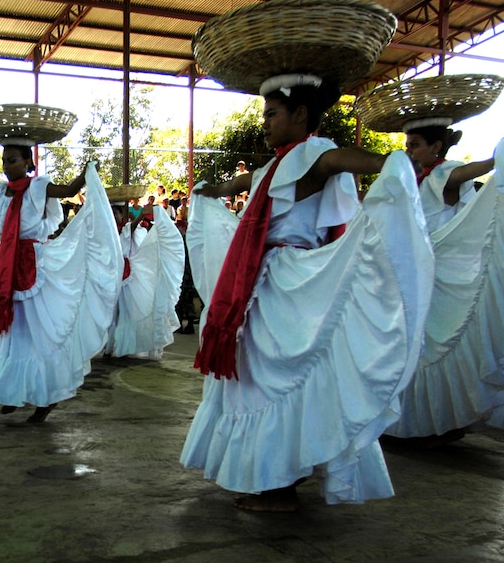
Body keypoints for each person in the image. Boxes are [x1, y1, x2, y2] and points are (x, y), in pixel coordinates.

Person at [181, 73, 434, 511]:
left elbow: (337, 160)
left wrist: (386, 162)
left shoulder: (312, 152)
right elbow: (248, 185)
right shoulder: (276, 165)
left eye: (272, 114)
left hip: (288, 278)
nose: (264, 123)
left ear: (300, 115)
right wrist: (216, 189)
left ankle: (279, 486)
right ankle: (273, 476)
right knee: (256, 376)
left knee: (273, 379)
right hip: (265, 280)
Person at [375, 102, 504, 442]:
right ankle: (434, 419)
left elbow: (465, 173)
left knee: (430, 341)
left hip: (438, 270)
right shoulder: (420, 177)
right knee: (424, 341)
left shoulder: (442, 172)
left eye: (415, 145)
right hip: (423, 266)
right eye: (408, 145)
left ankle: (436, 420)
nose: (409, 151)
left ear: (436, 147)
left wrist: (497, 158)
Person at [0, 134, 121, 423]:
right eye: (4, 161)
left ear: (27, 162)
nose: (7, 166)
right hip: (4, 262)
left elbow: (66, 190)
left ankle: (46, 397)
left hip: (30, 265)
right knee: (12, 333)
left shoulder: (39, 186)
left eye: (12, 160)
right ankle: (15, 390)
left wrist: (86, 171)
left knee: (38, 333)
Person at [104, 195, 185, 359]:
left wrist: (141, 214)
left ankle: (122, 346)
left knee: (129, 311)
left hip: (128, 277)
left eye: (116, 213)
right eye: (111, 213)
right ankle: (110, 346)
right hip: (112, 277)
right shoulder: (107, 232)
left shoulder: (126, 228)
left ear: (122, 214)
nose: (114, 216)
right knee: (113, 314)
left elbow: (131, 229)